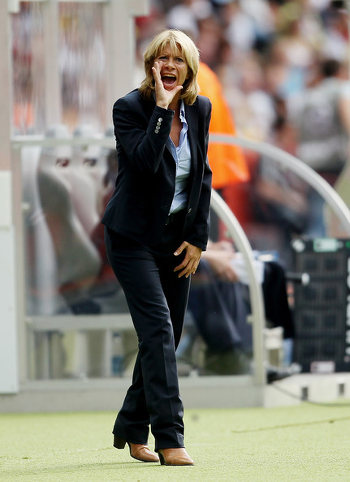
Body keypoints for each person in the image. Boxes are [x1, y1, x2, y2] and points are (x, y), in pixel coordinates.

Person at [102, 30, 212, 466]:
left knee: (166, 337)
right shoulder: (129, 108)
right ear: (150, 65)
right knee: (159, 332)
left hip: (175, 239)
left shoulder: (201, 108)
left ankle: (131, 427)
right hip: (132, 238)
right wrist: (163, 110)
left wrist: (198, 239)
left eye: (178, 59)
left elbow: (202, 174)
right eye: (161, 58)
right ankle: (171, 438)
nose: (169, 65)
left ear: (190, 68)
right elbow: (145, 164)